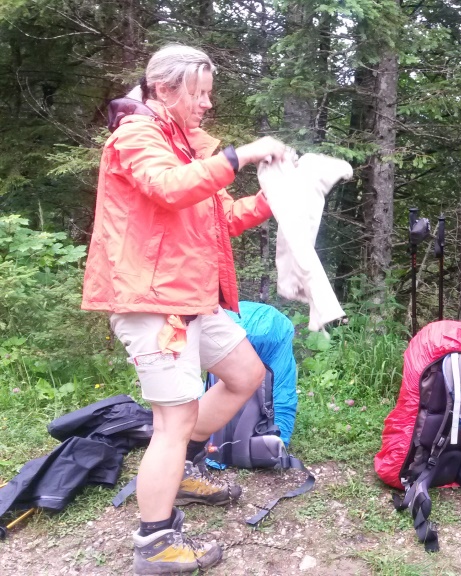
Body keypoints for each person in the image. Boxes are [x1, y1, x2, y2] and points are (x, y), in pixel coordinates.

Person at [81, 44, 293, 574]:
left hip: (192, 297)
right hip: (152, 301)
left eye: (207, 94)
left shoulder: (185, 145)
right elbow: (167, 189)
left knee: (246, 373)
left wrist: (277, 197)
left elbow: (223, 217)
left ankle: (189, 468)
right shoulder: (136, 136)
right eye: (197, 94)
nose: (206, 105)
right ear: (162, 90)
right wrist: (241, 156)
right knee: (172, 420)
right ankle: (155, 544)